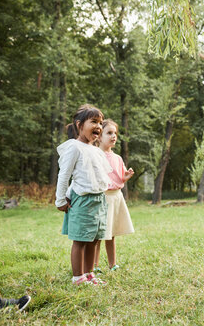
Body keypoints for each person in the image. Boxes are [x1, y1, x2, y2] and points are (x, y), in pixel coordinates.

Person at [55, 104, 112, 286]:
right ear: (79, 125)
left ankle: (89, 274)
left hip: (99, 200)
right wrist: (61, 199)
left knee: (94, 239)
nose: (99, 126)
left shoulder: (97, 151)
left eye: (101, 123)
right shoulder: (74, 147)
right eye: (93, 121)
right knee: (80, 239)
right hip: (83, 200)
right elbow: (65, 176)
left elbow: (98, 176)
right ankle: (77, 277)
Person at [93, 119, 135, 272]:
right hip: (102, 197)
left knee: (111, 234)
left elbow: (119, 177)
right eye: (109, 133)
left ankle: (112, 265)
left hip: (116, 198)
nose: (113, 136)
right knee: (97, 234)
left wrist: (126, 177)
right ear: (99, 136)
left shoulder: (117, 158)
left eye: (115, 133)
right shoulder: (96, 155)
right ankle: (94, 265)